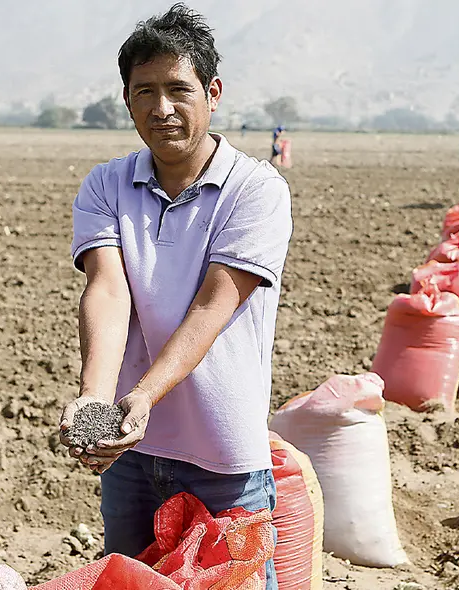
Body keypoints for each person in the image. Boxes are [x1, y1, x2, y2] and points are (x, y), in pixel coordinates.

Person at [59, 5, 292, 588]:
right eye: (145, 91)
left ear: (212, 92)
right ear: (126, 98)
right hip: (130, 456)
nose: (162, 108)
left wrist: (139, 398)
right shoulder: (106, 183)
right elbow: (108, 289)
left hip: (221, 452)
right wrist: (96, 402)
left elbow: (216, 304)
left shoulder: (256, 190)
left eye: (178, 89)